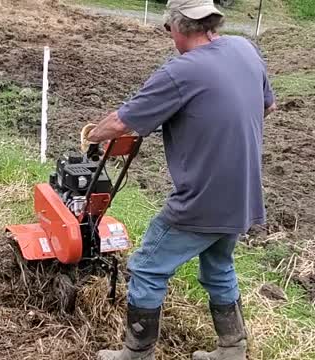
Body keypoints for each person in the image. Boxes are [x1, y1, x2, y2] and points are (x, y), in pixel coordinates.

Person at [83, 0, 277, 359]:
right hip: (243, 191)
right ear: (210, 22)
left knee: (146, 267)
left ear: (177, 27)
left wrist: (92, 135)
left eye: (167, 28)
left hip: (203, 197)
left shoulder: (180, 71)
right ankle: (232, 351)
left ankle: (136, 355)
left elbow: (122, 122)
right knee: (219, 266)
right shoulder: (244, 49)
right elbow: (267, 106)